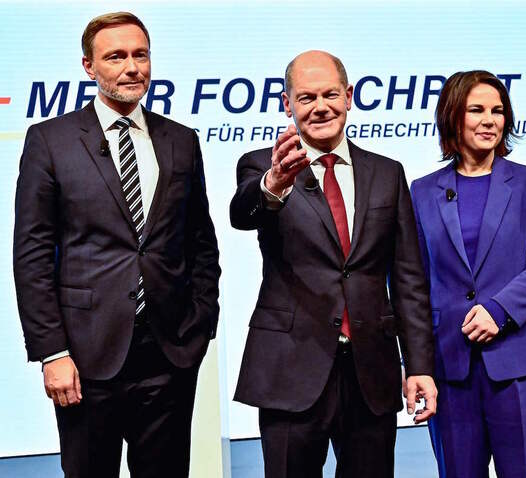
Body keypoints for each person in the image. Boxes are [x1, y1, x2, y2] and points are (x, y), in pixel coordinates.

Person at [13, 12, 220, 478]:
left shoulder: (181, 141)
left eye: (140, 54)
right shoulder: (50, 140)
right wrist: (52, 352)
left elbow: (201, 244)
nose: (132, 67)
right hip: (86, 359)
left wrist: (201, 324)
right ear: (89, 66)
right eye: (116, 56)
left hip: (170, 354)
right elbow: (32, 256)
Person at [229, 50, 437, 478]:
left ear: (349, 96)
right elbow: (243, 213)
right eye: (306, 98)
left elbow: (409, 280)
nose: (320, 107)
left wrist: (418, 366)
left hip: (370, 372)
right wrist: (274, 184)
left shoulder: (387, 173)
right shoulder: (262, 165)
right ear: (287, 104)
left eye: (329, 95)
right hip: (291, 370)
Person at [410, 70, 526, 477]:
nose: (489, 120)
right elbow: (413, 282)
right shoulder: (421, 192)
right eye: (476, 109)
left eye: (497, 111)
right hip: (450, 368)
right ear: (453, 118)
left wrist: (500, 310)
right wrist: (418, 365)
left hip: (519, 366)